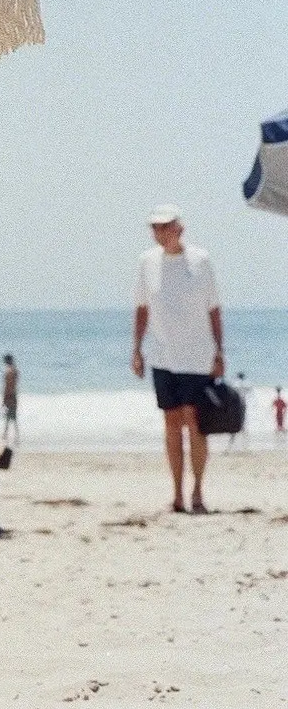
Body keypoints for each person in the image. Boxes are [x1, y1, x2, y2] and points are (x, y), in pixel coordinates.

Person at [131, 205, 223, 514]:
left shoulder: (200, 260)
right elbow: (142, 308)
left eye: (165, 227)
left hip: (197, 356)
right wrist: (137, 348)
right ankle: (177, 494)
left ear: (179, 229)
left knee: (195, 423)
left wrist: (219, 350)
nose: (159, 233)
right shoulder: (146, 262)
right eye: (155, 228)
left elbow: (214, 309)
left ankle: (197, 491)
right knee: (171, 426)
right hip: (162, 356)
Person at [2, 354, 19, 445]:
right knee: (12, 416)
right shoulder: (15, 370)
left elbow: (7, 386)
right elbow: (14, 385)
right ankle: (10, 434)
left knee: (9, 415)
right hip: (14, 394)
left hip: (10, 396)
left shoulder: (8, 371)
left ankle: (6, 434)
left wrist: (4, 398)